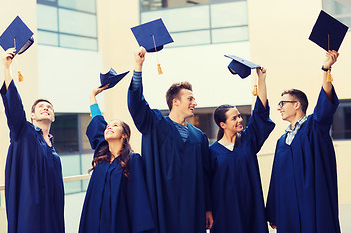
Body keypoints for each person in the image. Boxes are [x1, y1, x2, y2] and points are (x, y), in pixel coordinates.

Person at [127, 46, 213, 233]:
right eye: (190, 99)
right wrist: (138, 67)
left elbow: (205, 175)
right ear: (176, 102)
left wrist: (207, 207)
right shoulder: (155, 124)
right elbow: (137, 104)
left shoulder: (199, 137)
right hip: (162, 204)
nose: (195, 103)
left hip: (193, 207)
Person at [266, 50, 341, 233]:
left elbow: (324, 106)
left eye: (282, 103)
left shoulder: (314, 129)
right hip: (288, 211)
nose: (279, 107)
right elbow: (276, 178)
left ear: (297, 105)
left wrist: (326, 69)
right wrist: (274, 212)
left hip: (313, 206)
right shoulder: (282, 141)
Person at [1, 48, 65, 233]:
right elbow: (14, 109)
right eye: (41, 107)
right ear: (32, 116)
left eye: (49, 108)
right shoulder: (24, 133)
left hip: (52, 215)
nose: (46, 109)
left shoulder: (52, 148)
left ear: (53, 117)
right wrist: (7, 69)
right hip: (31, 215)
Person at [79, 85, 154, 233]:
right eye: (108, 126)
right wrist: (92, 97)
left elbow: (138, 198)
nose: (109, 127)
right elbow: (98, 121)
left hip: (118, 223)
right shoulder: (101, 156)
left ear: (124, 134)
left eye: (115, 125)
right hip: (95, 222)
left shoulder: (133, 160)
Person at [210, 67, 275, 232]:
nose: (240, 120)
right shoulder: (212, 152)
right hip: (226, 213)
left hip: (252, 208)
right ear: (222, 124)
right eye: (234, 118)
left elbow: (259, 114)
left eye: (239, 116)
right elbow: (207, 185)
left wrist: (261, 80)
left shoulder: (248, 140)